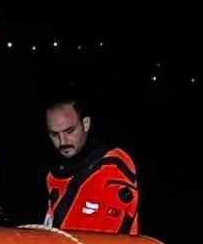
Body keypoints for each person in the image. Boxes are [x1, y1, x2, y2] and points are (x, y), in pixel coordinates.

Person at [43, 96, 140, 234]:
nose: (62, 141)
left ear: (86, 124)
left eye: (69, 131)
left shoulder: (111, 166)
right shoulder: (54, 175)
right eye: (54, 134)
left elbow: (107, 241)